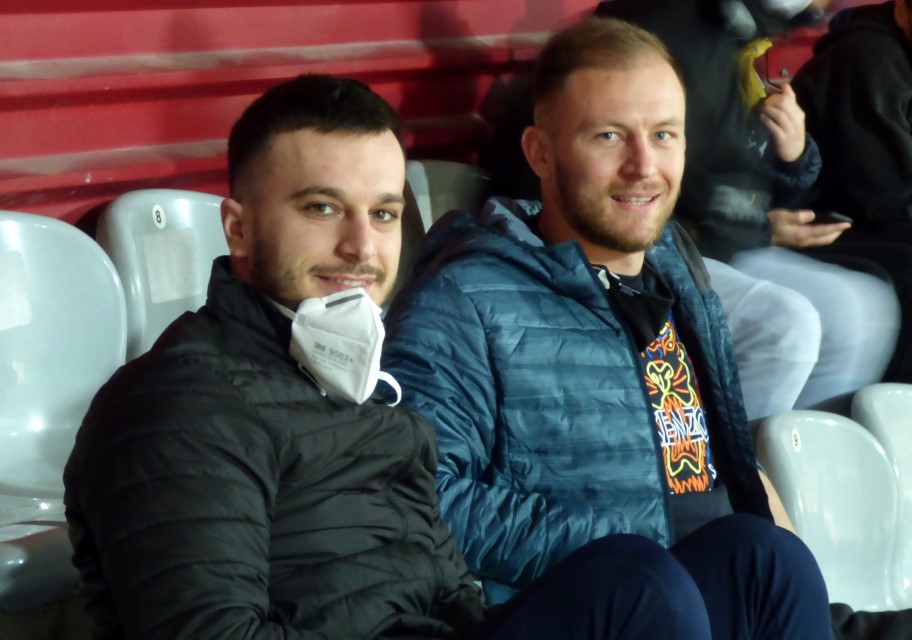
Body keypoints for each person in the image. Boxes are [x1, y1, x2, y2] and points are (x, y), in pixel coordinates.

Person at [64, 73, 761, 640]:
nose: (361, 248)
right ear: (238, 230)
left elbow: (452, 594)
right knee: (635, 585)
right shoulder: (178, 404)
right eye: (321, 209)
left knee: (752, 560)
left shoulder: (365, 388)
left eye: (384, 214)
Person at [383, 18, 832, 640]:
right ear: (540, 152)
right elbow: (423, 497)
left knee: (770, 559)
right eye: (609, 136)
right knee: (650, 584)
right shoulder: (464, 295)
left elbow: (691, 450)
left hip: (678, 595)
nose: (643, 166)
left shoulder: (675, 270)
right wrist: (630, 551)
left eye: (664, 135)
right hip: (566, 607)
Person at [791, 0, 912, 382]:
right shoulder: (870, 57)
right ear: (903, 11)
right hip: (814, 223)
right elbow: (881, 194)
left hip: (867, 216)